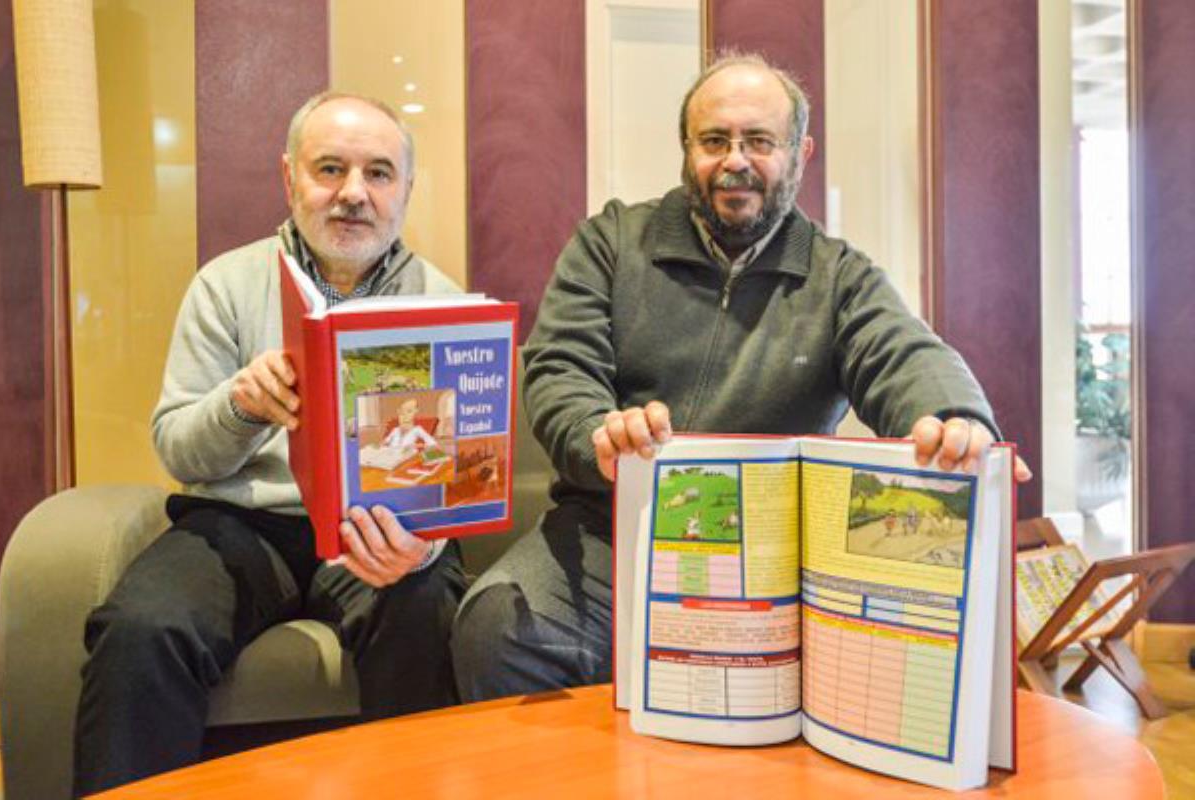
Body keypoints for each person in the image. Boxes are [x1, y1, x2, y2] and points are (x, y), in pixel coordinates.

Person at [450, 54, 1031, 702]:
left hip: (772, 554)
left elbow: (903, 352)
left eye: (759, 141)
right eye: (714, 141)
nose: (735, 161)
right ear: (686, 149)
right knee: (496, 630)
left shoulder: (839, 276)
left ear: (800, 153)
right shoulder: (610, 243)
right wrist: (599, 434)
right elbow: (561, 366)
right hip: (610, 529)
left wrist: (954, 418)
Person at [72, 92, 467, 795]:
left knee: (425, 610)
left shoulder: (446, 304)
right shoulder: (226, 285)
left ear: (406, 188)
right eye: (330, 169)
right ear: (290, 178)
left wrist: (424, 544)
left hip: (381, 526)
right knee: (141, 629)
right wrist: (240, 406)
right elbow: (178, 451)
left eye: (378, 173)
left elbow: (460, 473)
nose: (354, 193)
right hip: (240, 524)